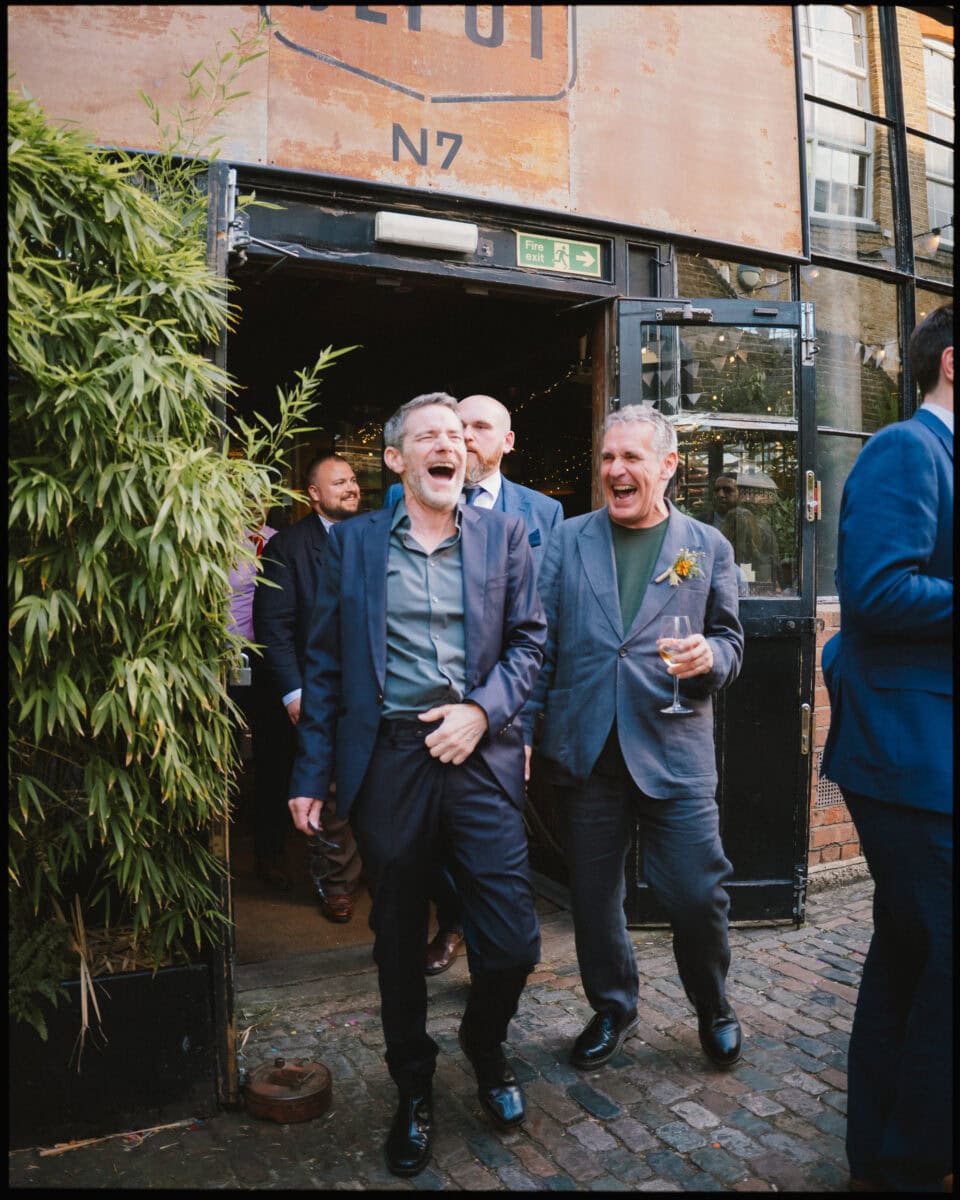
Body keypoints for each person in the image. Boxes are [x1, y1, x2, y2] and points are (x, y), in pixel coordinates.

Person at [288, 393, 546, 1177]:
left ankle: (484, 1043)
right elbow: (327, 667)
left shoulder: (506, 536)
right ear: (396, 460)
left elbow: (533, 644)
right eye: (428, 437)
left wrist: (482, 711)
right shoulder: (356, 546)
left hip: (477, 755)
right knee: (397, 940)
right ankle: (413, 1086)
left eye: (457, 436)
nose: (449, 446)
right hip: (390, 761)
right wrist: (311, 775)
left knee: (512, 941)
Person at [523, 402, 745, 1073]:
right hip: (585, 748)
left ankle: (713, 1004)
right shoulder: (566, 539)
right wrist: (528, 732)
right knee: (593, 898)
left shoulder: (706, 546)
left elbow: (731, 641)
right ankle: (614, 1005)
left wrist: (711, 657)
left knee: (695, 894)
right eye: (608, 459)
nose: (615, 471)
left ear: (667, 466)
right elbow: (538, 643)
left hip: (674, 746)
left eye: (631, 458)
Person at [820, 303, 953, 1194]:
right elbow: (876, 592)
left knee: (911, 954)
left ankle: (883, 1156)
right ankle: (909, 1163)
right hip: (910, 757)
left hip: (928, 754)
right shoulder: (905, 448)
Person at [385, 392, 563, 975]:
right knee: (425, 848)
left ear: (506, 442)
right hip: (415, 727)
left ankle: (489, 945)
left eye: (479, 427)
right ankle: (452, 921)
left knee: (499, 852)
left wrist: (519, 721)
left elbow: (539, 625)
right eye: (456, 427)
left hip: (504, 717)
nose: (463, 438)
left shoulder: (540, 514)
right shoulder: (401, 501)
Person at [253, 453, 363, 921]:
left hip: (376, 687)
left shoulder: (377, 535)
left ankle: (379, 874)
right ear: (313, 494)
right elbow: (273, 627)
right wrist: (294, 693)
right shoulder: (288, 547)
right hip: (317, 689)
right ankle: (336, 883)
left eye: (354, 480)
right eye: (339, 482)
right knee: (330, 789)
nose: (352, 487)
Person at [227, 518, 287, 886]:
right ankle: (218, 854)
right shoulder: (212, 538)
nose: (254, 499)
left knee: (274, 760)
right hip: (223, 660)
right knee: (222, 757)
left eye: (261, 492)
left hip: (268, 661)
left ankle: (271, 855)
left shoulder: (278, 543)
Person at [696, 474, 779, 592]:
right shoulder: (698, 524)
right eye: (717, 490)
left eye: (727, 490)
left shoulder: (761, 529)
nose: (720, 494)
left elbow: (768, 565)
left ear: (741, 494)